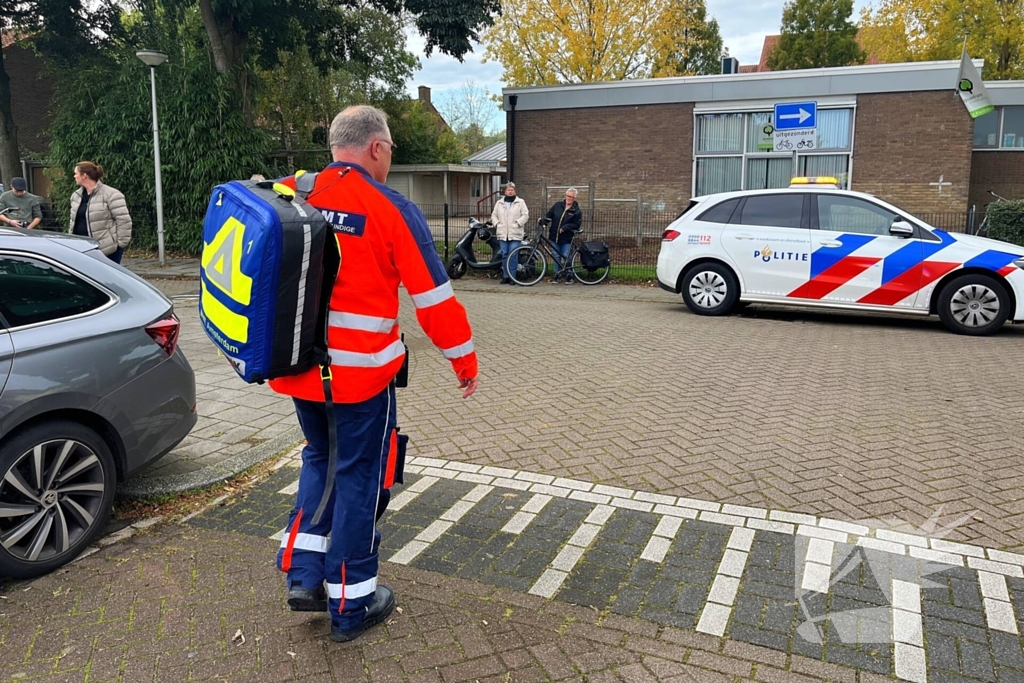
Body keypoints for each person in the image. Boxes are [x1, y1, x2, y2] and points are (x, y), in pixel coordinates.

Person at [270, 105, 479, 643]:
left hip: (298, 371)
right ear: (378, 148)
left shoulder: (290, 191)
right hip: (361, 378)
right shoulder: (390, 207)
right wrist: (464, 359)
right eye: (391, 152)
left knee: (321, 458)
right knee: (361, 476)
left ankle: (303, 573)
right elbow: (433, 298)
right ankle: (351, 603)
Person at [69, 161, 132, 263]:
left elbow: (124, 220)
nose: (74, 176)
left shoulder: (111, 194)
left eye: (76, 173)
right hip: (81, 250)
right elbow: (72, 222)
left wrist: (120, 244)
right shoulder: (76, 196)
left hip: (107, 250)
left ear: (84, 176)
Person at [490, 182, 529, 284]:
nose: (510, 191)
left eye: (512, 190)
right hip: (503, 233)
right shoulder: (499, 203)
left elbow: (525, 215)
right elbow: (494, 215)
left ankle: (512, 277)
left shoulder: (520, 202)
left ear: (514, 191)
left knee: (513, 255)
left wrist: (517, 223)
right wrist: (497, 223)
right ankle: (505, 276)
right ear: (505, 191)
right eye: (508, 190)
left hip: (515, 233)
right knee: (504, 254)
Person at [544, 188, 583, 284]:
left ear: (574, 198)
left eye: (571, 197)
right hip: (555, 236)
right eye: (568, 196)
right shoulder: (557, 206)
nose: (569, 198)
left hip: (567, 237)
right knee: (556, 256)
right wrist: (543, 220)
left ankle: (569, 276)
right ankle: (557, 275)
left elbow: (576, 225)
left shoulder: (576, 211)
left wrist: (565, 227)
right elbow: (549, 215)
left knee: (566, 256)